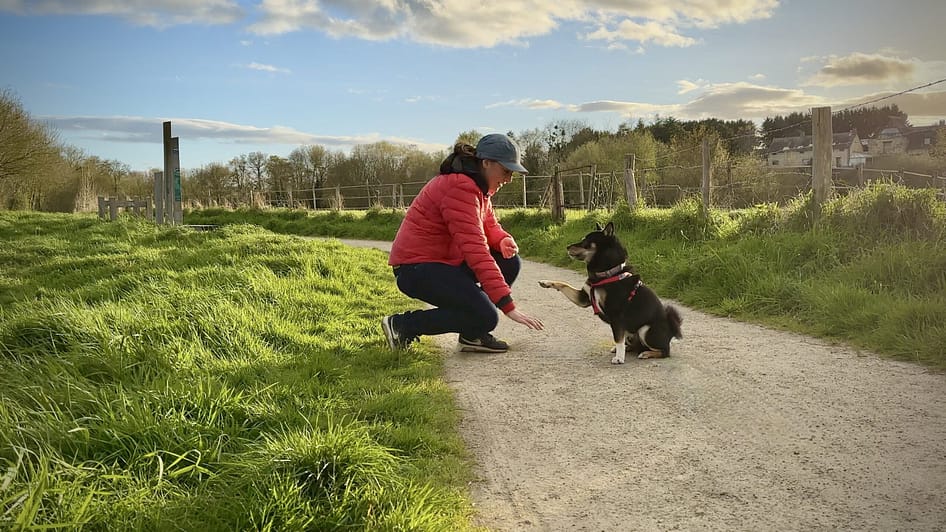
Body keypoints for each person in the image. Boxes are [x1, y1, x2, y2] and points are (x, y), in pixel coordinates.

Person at [382, 133, 544, 352]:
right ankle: (402, 325)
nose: (509, 179)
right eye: (506, 171)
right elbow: (475, 249)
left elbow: (489, 225)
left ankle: (471, 335)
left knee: (509, 262)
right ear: (486, 163)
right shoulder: (460, 187)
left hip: (442, 264)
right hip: (415, 269)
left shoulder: (479, 187)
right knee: (486, 316)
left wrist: (502, 239)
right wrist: (508, 306)